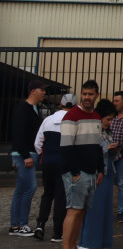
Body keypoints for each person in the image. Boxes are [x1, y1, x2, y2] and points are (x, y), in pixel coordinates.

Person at [60, 80, 104, 249]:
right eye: (84, 94)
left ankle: (72, 245)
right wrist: (75, 172)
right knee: (74, 210)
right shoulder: (71, 116)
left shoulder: (96, 117)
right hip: (77, 173)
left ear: (96, 95)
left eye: (90, 94)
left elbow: (98, 146)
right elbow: (65, 148)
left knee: (81, 211)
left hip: (91, 172)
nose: (86, 97)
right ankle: (67, 246)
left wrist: (100, 169)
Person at [34, 93, 74, 242]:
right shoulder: (72, 121)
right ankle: (57, 233)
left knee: (47, 194)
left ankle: (40, 225)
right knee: (60, 196)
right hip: (63, 163)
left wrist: (43, 157)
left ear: (60, 104)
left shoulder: (48, 120)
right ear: (74, 106)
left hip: (48, 162)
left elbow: (38, 143)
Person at [9, 81, 45, 237]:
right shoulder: (24, 109)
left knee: (21, 189)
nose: (44, 92)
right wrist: (25, 155)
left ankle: (15, 225)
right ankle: (21, 224)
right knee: (30, 187)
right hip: (24, 154)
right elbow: (18, 133)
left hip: (28, 153)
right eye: (42, 89)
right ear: (33, 91)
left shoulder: (33, 109)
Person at [80, 99, 118, 249]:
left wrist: (113, 150)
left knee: (106, 210)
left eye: (111, 119)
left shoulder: (106, 132)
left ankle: (103, 241)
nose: (110, 122)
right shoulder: (91, 131)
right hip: (96, 174)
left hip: (107, 172)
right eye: (108, 119)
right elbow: (87, 152)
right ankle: (90, 242)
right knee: (94, 209)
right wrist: (106, 148)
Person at [107, 92, 123, 226]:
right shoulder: (112, 116)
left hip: (122, 154)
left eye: (117, 101)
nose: (114, 103)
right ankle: (108, 209)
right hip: (109, 154)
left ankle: (121, 211)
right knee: (107, 182)